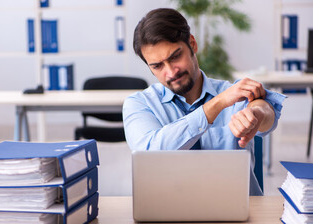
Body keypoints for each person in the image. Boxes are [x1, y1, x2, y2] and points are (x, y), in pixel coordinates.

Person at [123, 8, 286, 196]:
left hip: (239, 213)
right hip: (170, 215)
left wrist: (256, 114)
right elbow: (148, 153)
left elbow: (266, 113)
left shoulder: (232, 93)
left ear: (192, 44)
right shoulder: (139, 104)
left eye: (175, 56)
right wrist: (215, 105)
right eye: (157, 66)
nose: (171, 72)